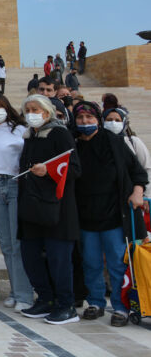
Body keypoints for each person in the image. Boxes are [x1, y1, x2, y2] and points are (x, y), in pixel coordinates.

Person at [72, 101, 147, 327]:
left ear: (98, 119)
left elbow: (138, 172)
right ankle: (95, 302)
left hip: (114, 215)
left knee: (116, 263)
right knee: (91, 263)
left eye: (89, 118)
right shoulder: (73, 144)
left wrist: (137, 191)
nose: (85, 122)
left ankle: (121, 307)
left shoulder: (114, 142)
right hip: (86, 216)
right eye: (80, 118)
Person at [18, 94, 81, 325]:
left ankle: (67, 306)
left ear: (47, 112)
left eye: (36, 109)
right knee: (30, 255)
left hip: (58, 209)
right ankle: (45, 299)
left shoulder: (60, 134)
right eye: (28, 109)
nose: (32, 113)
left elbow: (74, 169)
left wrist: (49, 170)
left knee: (58, 259)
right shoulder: (30, 136)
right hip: (32, 207)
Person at [0, 94, 33, 311]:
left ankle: (25, 294)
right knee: (6, 243)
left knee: (17, 242)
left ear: (7, 106)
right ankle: (14, 290)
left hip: (14, 184)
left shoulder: (21, 129)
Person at [104, 108, 151, 198]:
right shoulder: (99, 143)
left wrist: (146, 195)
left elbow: (147, 168)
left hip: (133, 196)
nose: (113, 123)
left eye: (117, 120)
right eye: (109, 120)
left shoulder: (133, 142)